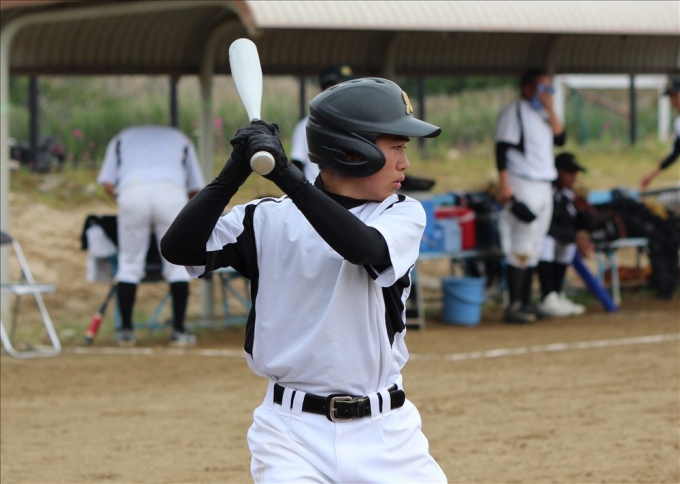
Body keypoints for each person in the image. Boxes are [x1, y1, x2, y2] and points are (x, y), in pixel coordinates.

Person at [161, 78, 447, 483]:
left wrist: (286, 175)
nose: (405, 163)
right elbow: (178, 248)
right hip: (291, 436)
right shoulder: (266, 217)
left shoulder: (400, 212)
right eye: (396, 147)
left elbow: (362, 248)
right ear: (352, 151)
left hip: (388, 435)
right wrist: (233, 173)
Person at [97, 125, 205, 346]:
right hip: (171, 193)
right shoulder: (180, 138)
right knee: (177, 266)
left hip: (132, 191)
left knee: (129, 264)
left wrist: (129, 206)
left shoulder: (121, 137)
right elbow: (196, 188)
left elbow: (108, 184)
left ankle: (126, 331)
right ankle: (178, 331)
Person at [495, 69, 567, 323]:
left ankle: (526, 301)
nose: (548, 94)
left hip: (544, 185)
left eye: (550, 89)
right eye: (543, 89)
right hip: (523, 182)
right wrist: (505, 184)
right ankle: (514, 304)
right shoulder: (515, 112)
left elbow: (561, 138)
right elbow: (502, 148)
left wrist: (551, 108)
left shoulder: (544, 114)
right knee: (523, 241)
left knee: (536, 244)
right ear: (528, 88)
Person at [537, 152, 592, 317]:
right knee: (548, 242)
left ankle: (556, 294)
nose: (573, 177)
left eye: (575, 172)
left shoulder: (568, 195)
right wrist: (574, 238)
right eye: (569, 172)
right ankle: (547, 297)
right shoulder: (546, 192)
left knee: (567, 244)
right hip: (535, 243)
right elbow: (546, 227)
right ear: (556, 172)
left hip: (556, 239)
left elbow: (569, 225)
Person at [289, 64, 354, 181]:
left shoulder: (355, 122)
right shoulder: (307, 124)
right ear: (328, 87)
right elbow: (297, 164)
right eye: (342, 86)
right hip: (315, 189)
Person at [639, 78, 680, 190]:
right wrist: (651, 176)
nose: (673, 101)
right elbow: (675, 153)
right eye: (670, 97)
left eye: (675, 96)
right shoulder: (678, 123)